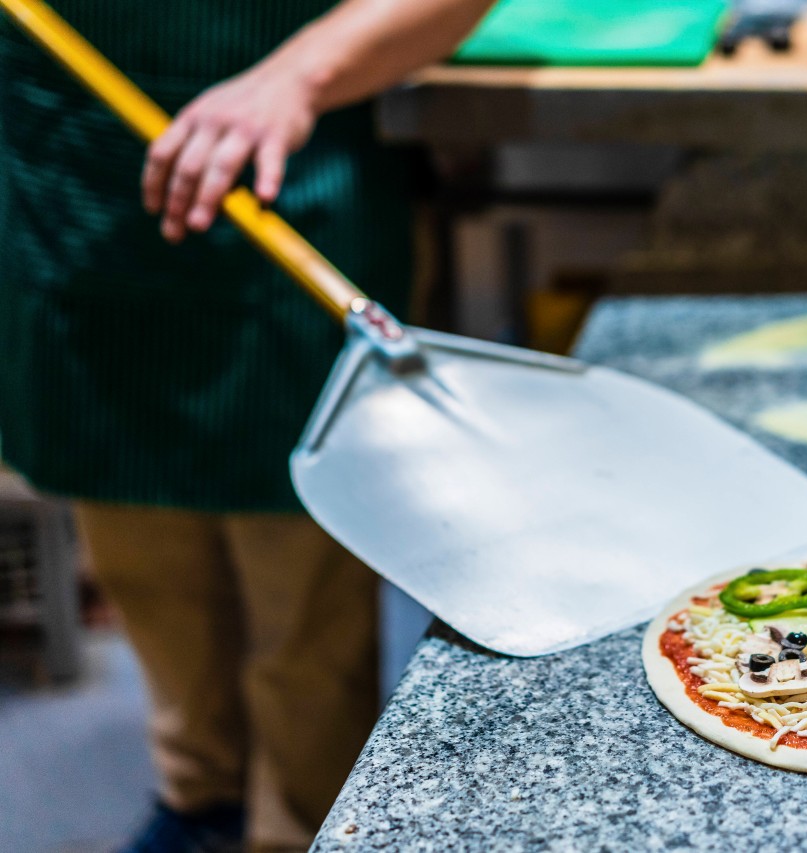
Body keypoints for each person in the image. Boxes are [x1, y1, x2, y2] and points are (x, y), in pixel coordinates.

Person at [0, 1, 494, 850]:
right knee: (140, 554)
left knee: (304, 602)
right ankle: (199, 797)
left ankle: (300, 827)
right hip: (74, 186)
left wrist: (296, 73)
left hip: (294, 175)